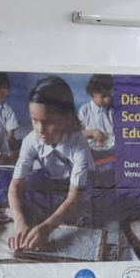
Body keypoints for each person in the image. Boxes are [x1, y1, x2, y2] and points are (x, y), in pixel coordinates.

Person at [8, 75, 95, 251]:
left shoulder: (79, 145)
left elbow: (74, 197)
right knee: (24, 192)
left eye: (48, 122)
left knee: (88, 210)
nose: (40, 130)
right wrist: (19, 222)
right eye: (34, 120)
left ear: (66, 118)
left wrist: (47, 227)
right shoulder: (31, 140)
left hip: (77, 190)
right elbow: (15, 186)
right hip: (51, 184)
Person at [78, 73, 115, 150]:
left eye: (110, 95)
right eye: (103, 96)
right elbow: (76, 134)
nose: (107, 99)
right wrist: (91, 133)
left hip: (112, 150)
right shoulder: (85, 110)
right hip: (91, 151)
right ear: (93, 93)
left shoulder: (112, 110)